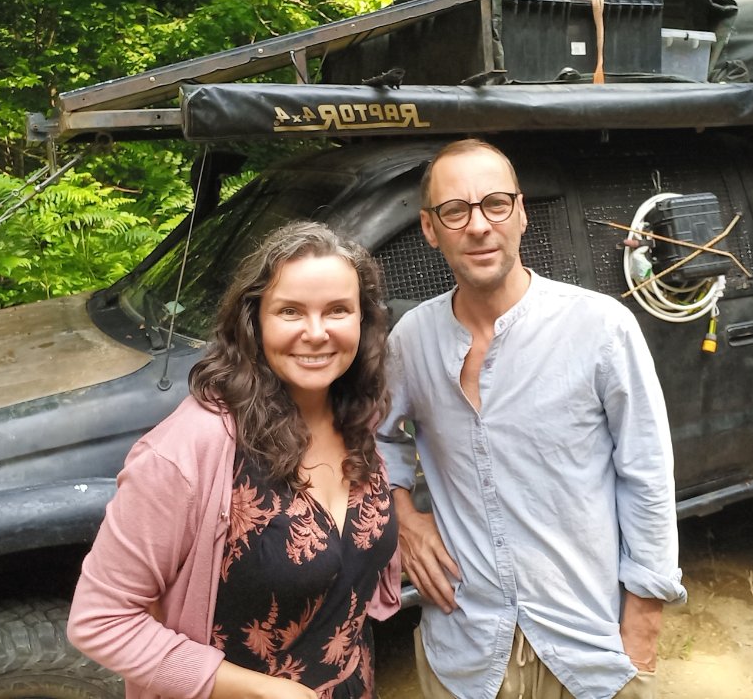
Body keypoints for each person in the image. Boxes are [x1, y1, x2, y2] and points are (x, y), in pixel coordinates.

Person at [376, 139, 686, 699]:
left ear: (520, 213)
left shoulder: (599, 329)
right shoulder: (412, 341)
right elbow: (372, 438)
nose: (478, 226)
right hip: (463, 650)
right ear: (429, 228)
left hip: (589, 647)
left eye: (495, 203)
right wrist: (404, 515)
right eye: (455, 210)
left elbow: (647, 473)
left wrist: (643, 620)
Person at [68, 221, 400, 699]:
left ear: (363, 321)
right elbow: (99, 620)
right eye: (290, 311)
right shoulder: (188, 451)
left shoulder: (355, 414)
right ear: (254, 320)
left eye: (338, 311)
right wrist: (264, 691)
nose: (316, 332)